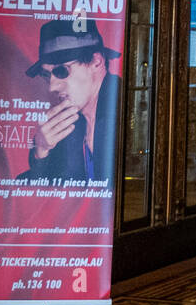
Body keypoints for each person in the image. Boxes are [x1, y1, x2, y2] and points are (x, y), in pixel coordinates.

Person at [21, 20, 122, 183]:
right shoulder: (69, 126)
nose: (52, 87)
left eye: (61, 71)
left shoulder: (125, 107)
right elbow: (36, 188)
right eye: (47, 75)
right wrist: (41, 151)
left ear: (96, 62)